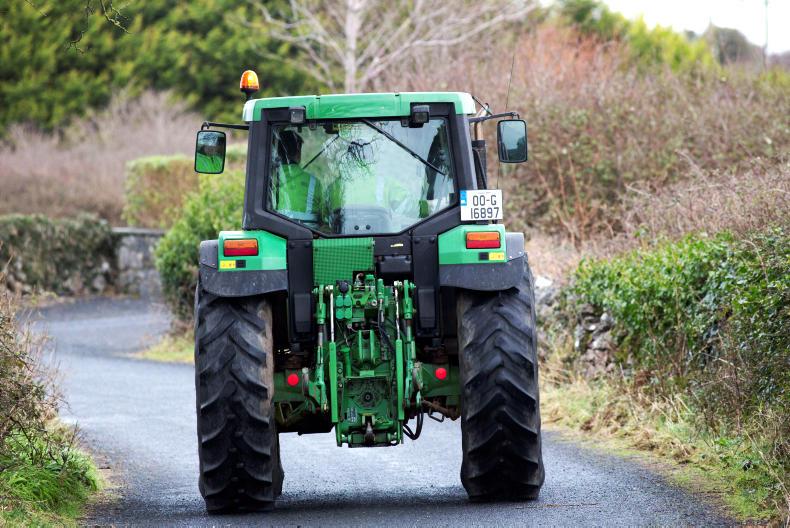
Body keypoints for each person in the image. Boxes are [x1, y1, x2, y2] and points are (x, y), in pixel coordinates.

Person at [272, 130, 324, 229]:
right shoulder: (314, 182)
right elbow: (323, 216)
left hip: (277, 231)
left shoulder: (271, 178)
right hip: (310, 233)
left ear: (277, 152)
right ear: (298, 152)